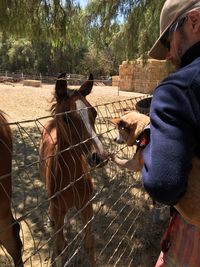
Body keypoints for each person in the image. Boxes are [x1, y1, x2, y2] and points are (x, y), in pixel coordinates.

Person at [140, 0, 200, 266]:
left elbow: (162, 184)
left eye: (167, 41)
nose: (168, 54)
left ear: (194, 22)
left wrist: (148, 143)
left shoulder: (176, 89)